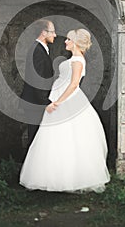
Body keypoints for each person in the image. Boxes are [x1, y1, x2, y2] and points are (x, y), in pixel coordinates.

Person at [19, 28, 110, 193]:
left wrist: (58, 102)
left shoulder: (77, 60)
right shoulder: (74, 59)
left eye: (68, 39)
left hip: (67, 99)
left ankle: (67, 177)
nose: (65, 42)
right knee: (54, 136)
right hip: (61, 95)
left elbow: (74, 84)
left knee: (66, 136)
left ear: (75, 42)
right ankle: (53, 175)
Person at [20, 19, 56, 148]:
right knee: (35, 139)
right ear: (44, 33)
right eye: (52, 32)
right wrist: (46, 102)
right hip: (36, 102)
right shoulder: (37, 51)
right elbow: (37, 80)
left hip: (36, 101)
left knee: (37, 139)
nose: (55, 35)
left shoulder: (39, 49)